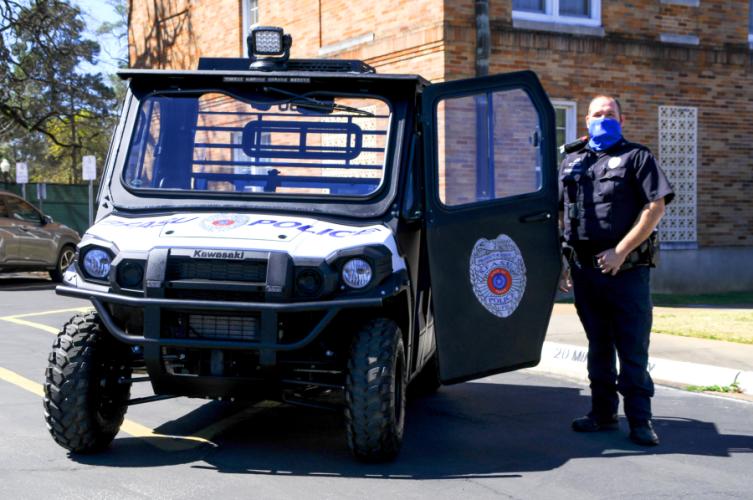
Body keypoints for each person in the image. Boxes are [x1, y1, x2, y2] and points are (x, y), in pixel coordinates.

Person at [558, 95, 674, 446]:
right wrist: (563, 261)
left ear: (621, 120)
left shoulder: (638, 157)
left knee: (632, 346)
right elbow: (561, 214)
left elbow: (655, 208)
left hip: (626, 270)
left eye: (610, 114)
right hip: (584, 269)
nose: (603, 119)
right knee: (598, 344)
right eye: (597, 114)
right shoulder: (572, 160)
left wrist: (620, 252)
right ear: (586, 121)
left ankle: (640, 421)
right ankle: (602, 413)